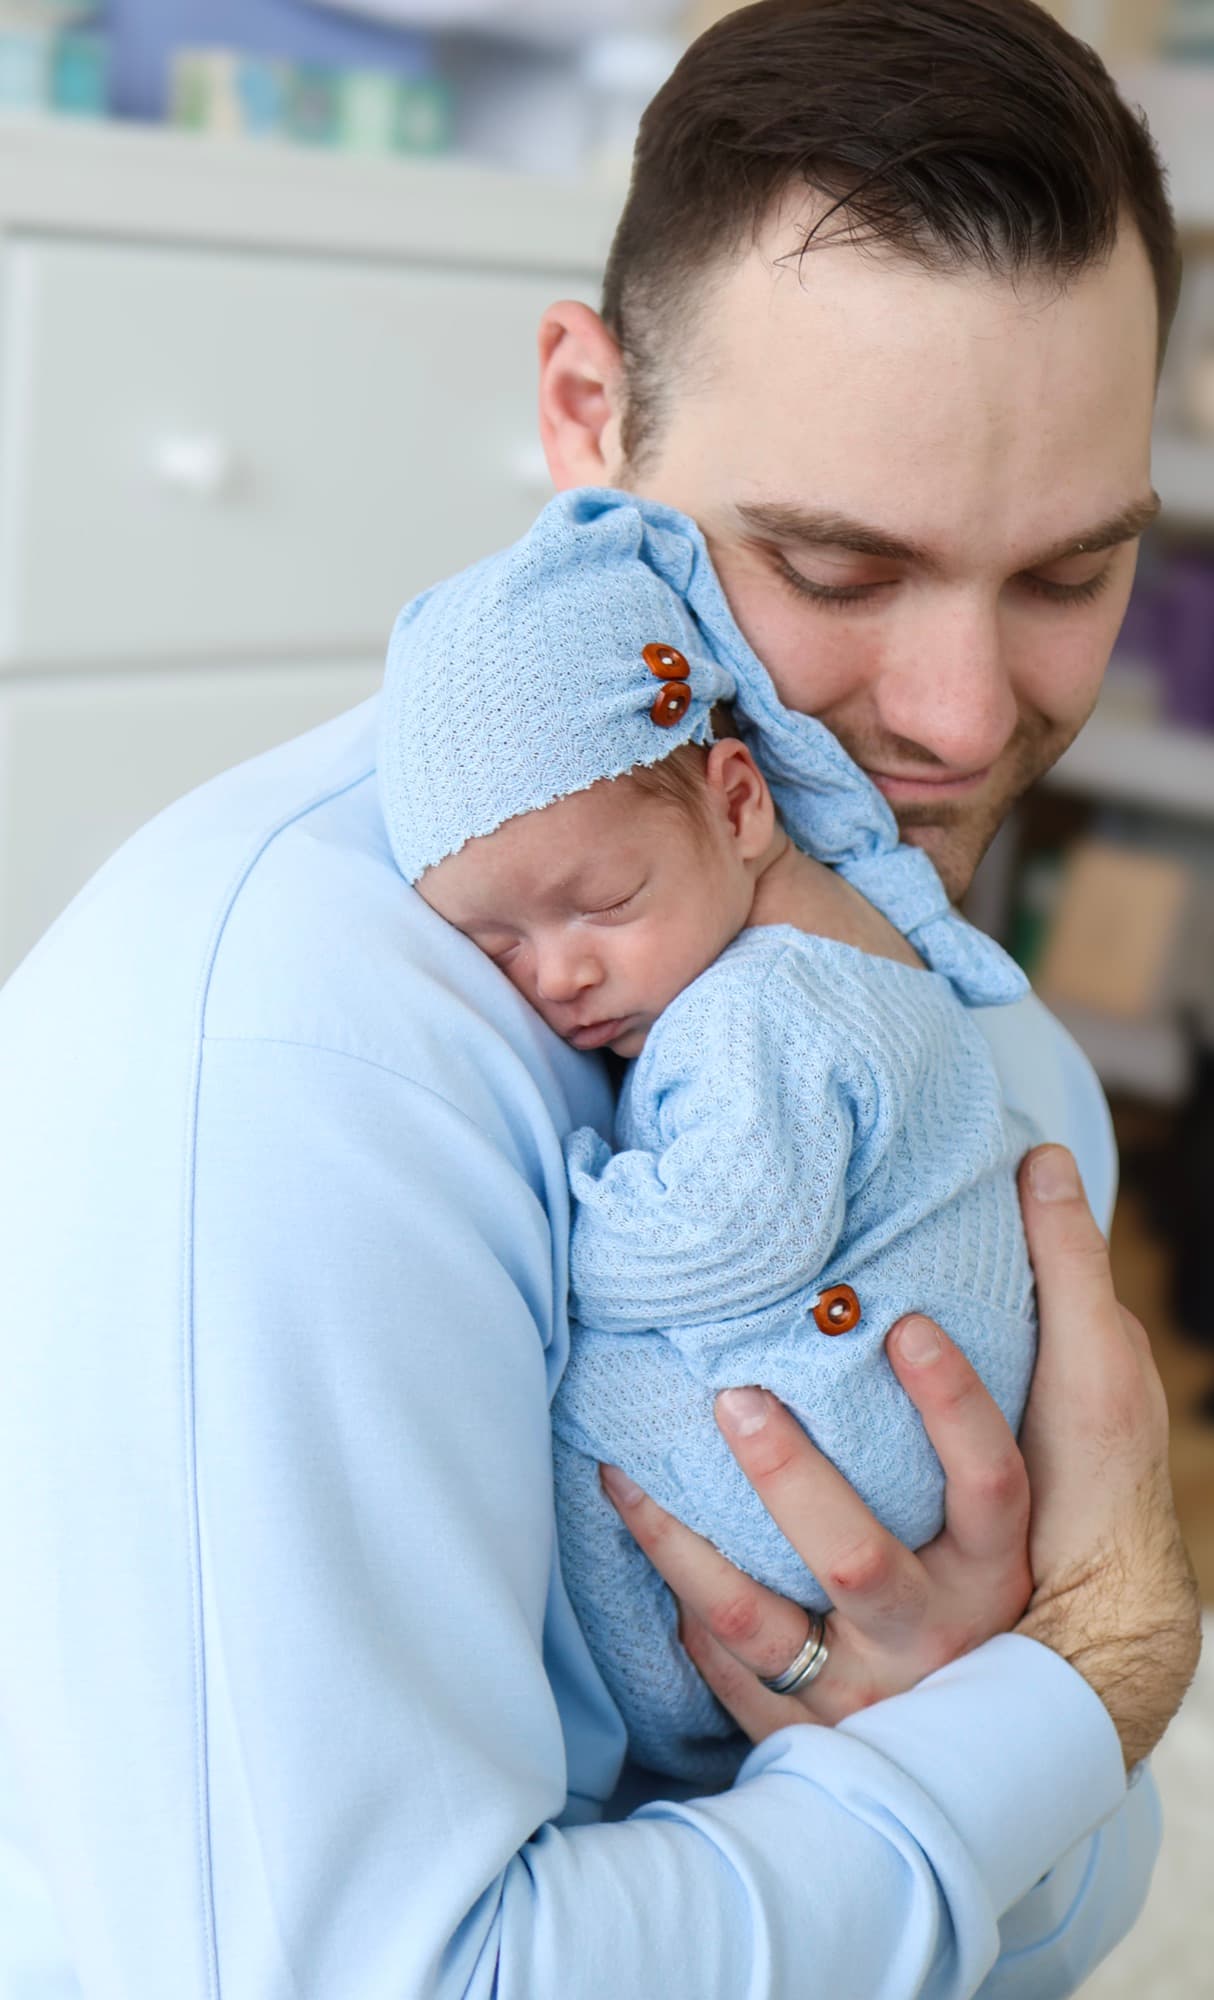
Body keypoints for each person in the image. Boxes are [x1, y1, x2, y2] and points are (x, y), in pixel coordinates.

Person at [0, 2, 1201, 1995]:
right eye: (830, 563)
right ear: (586, 419)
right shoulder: (293, 1054)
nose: (967, 716)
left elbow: (1066, 1899)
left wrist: (979, 1744)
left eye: (1066, 577)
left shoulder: (993, 1057)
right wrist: (1055, 1698)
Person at [396, 482, 1041, 1784]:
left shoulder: (767, 1000)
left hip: (850, 1433)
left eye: (601, 901)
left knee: (592, 1427)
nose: (558, 975)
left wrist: (555, 1203)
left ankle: (641, 1746)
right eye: (495, 942)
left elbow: (724, 1234)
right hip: (882, 1439)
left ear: (739, 805)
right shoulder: (785, 957)